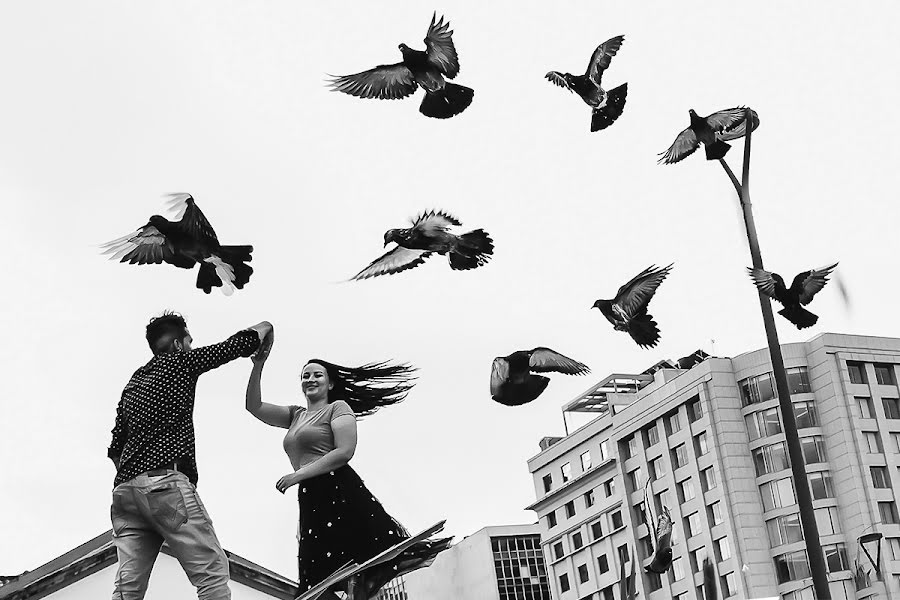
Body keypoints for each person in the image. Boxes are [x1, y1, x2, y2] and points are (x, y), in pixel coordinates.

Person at [246, 328, 451, 599]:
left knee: (357, 565)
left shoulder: (337, 408)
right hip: (310, 496)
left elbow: (344, 451)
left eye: (317, 374)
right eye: (305, 376)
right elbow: (254, 406)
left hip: (338, 489)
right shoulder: (295, 415)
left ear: (330, 384)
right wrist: (258, 364)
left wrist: (298, 475)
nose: (310, 379)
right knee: (318, 578)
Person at [107, 311, 272, 600]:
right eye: (190, 341)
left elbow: (115, 447)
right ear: (178, 345)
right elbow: (232, 347)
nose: (192, 347)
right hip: (164, 489)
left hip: (125, 494)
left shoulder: (133, 383)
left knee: (127, 588)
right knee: (211, 573)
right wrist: (266, 327)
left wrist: (137, 480)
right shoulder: (180, 362)